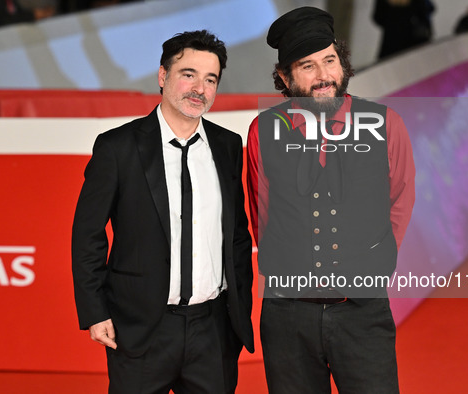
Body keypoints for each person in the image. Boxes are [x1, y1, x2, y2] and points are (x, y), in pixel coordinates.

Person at [72, 29, 254, 393]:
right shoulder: (117, 147)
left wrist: (238, 310)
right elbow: (87, 234)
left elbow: (236, 234)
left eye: (210, 79)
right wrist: (95, 312)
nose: (199, 88)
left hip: (213, 330)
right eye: (189, 74)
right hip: (141, 329)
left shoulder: (228, 145)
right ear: (162, 76)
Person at [246, 7, 415, 393]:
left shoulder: (386, 125)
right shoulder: (263, 131)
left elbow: (401, 200)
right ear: (285, 77)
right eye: (308, 66)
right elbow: (262, 213)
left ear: (343, 64)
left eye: (330, 61)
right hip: (287, 313)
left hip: (361, 311)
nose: (324, 76)